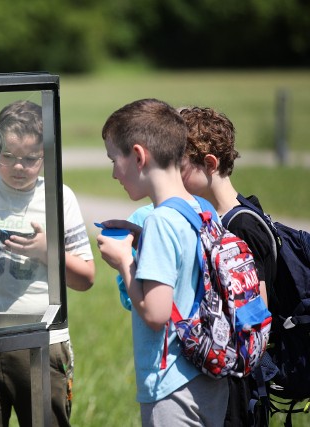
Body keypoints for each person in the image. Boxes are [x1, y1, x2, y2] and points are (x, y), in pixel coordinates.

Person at [0, 100, 95, 427]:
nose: (18, 167)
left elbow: (85, 277)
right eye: (8, 157)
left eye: (30, 159)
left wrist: (48, 251)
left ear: (45, 156)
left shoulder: (60, 198)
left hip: (40, 339)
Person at [96, 98, 229, 426]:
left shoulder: (159, 222)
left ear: (139, 156)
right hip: (209, 379)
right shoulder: (201, 208)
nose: (114, 172)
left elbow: (156, 314)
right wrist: (143, 241)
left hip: (171, 386)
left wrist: (125, 260)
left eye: (115, 159)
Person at [179, 106, 275, 427]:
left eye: (180, 166)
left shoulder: (241, 225)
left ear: (209, 164)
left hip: (239, 381)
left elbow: (255, 314)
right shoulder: (222, 219)